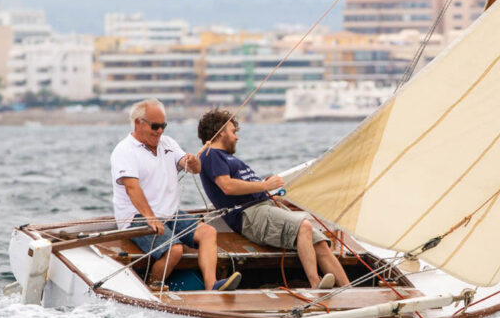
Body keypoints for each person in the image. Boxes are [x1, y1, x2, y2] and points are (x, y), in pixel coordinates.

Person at [196, 108, 350, 290]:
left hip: (265, 206)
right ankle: (316, 284)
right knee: (304, 226)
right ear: (221, 133)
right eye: (233, 132)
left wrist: (266, 189)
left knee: (320, 243)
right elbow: (227, 187)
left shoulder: (228, 158)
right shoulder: (211, 155)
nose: (236, 137)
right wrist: (265, 186)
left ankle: (348, 290)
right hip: (250, 214)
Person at [110, 98, 240, 291]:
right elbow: (132, 188)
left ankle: (212, 286)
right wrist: (150, 217)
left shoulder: (168, 143)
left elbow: (191, 167)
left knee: (208, 232)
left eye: (163, 126)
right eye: (155, 126)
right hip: (137, 218)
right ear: (138, 123)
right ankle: (153, 288)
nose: (160, 131)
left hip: (170, 214)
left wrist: (193, 163)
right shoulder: (124, 151)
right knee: (174, 250)